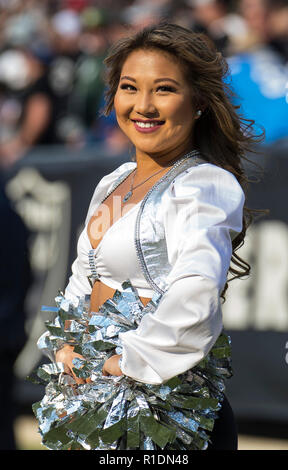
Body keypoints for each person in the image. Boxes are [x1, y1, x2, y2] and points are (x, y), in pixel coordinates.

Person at [35, 23, 261, 451]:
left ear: (197, 102)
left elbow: (196, 291)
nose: (143, 106)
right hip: (96, 397)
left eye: (163, 89)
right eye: (129, 87)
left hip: (165, 416)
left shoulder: (203, 185)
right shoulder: (113, 182)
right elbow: (83, 279)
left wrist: (128, 362)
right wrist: (65, 346)